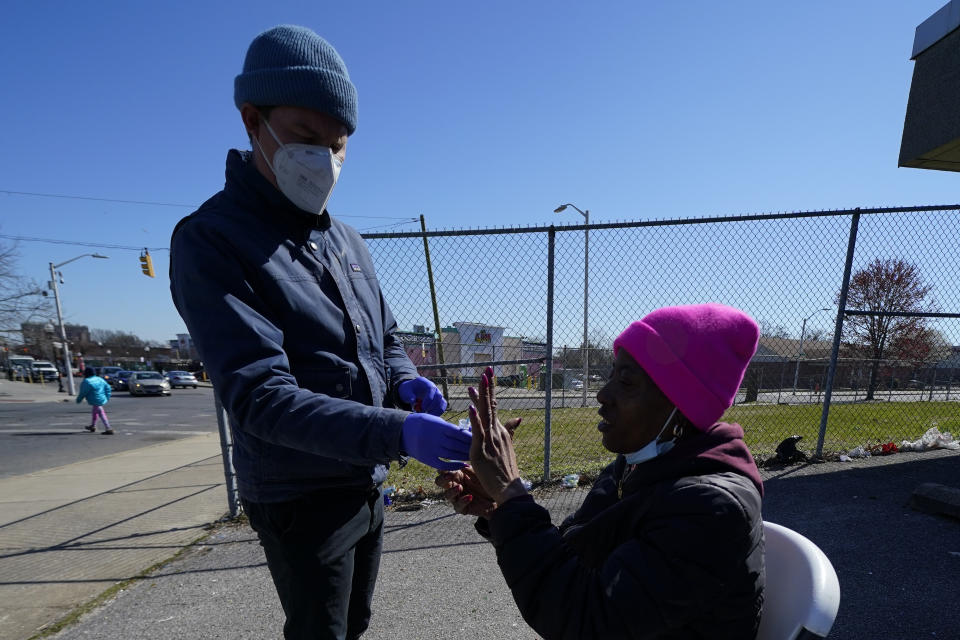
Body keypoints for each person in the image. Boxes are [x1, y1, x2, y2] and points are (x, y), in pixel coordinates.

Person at [169, 24, 470, 640]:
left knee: (353, 621)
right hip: (298, 490)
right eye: (306, 139)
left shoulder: (345, 240)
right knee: (320, 631)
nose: (325, 162)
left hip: (364, 476)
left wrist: (409, 385)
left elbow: (384, 339)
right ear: (254, 122)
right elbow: (260, 395)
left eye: (338, 146)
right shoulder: (213, 239)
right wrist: (399, 431)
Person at [438, 303, 766, 639]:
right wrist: (500, 512)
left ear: (681, 408)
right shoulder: (634, 467)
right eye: (612, 375)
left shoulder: (710, 510)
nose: (602, 394)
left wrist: (511, 493)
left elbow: (588, 619)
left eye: (625, 382)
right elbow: (574, 555)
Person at [76, 367, 113, 435]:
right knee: (95, 411)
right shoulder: (100, 379)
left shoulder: (87, 381)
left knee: (101, 413)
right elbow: (108, 388)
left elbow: (83, 392)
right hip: (101, 398)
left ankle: (108, 428)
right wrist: (107, 397)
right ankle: (93, 426)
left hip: (94, 399)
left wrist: (79, 399)